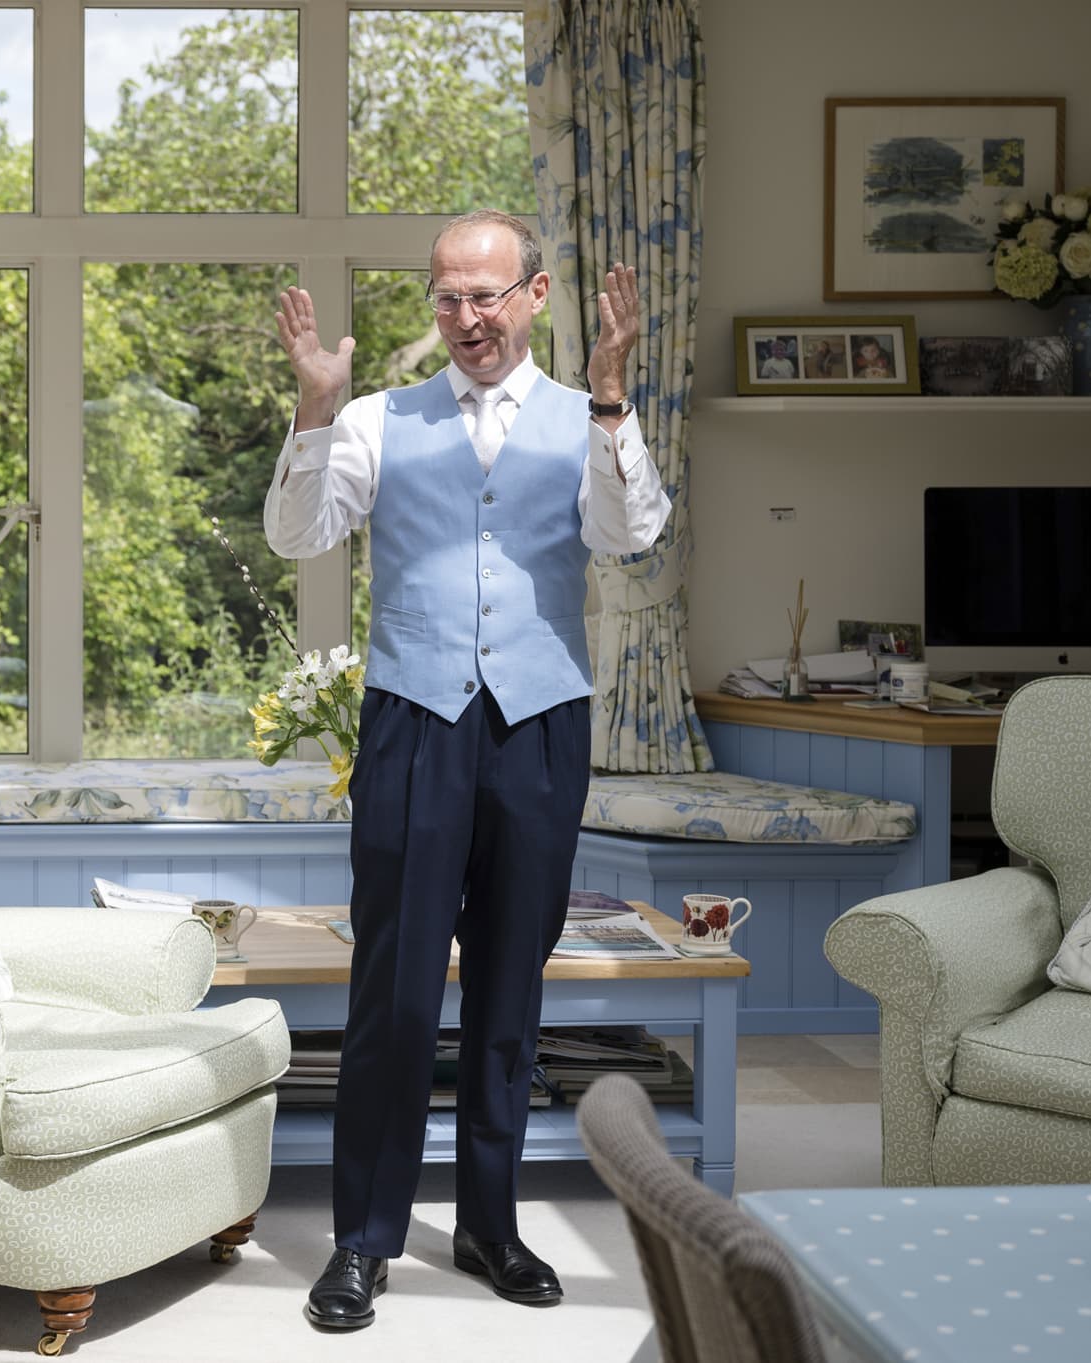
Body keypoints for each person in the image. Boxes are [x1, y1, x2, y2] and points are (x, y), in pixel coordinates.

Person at [266, 210, 671, 1330]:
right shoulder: (372, 419)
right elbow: (297, 536)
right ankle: (361, 1238)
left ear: (534, 295)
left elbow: (630, 530)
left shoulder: (587, 412)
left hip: (538, 723)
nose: (466, 318)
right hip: (411, 720)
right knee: (390, 991)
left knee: (508, 987)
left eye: (487, 295)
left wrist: (609, 397)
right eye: (447, 297)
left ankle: (489, 1224)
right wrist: (308, 406)